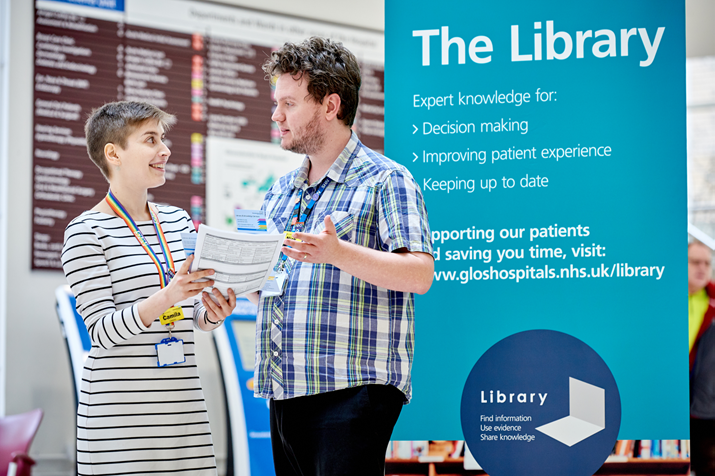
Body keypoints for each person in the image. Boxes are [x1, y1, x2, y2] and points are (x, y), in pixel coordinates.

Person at [249, 37, 434, 476]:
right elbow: (270, 290)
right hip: (284, 388)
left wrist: (338, 253)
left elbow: (419, 275)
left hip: (350, 390)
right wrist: (237, 278)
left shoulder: (386, 180)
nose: (277, 115)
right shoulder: (279, 193)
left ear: (330, 105)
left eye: (289, 103)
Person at [61, 101, 236, 475]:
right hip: (119, 422)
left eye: (163, 139)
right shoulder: (84, 232)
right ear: (114, 153)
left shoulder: (177, 221)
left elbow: (194, 311)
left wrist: (211, 313)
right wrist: (168, 296)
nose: (165, 150)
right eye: (151, 139)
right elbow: (102, 331)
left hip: (183, 411)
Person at [689, 240, 715, 476]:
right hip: (670, 400)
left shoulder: (713, 301)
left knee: (707, 464)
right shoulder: (662, 301)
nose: (702, 268)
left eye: (707, 263)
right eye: (695, 262)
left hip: (707, 407)